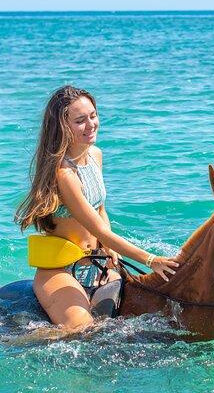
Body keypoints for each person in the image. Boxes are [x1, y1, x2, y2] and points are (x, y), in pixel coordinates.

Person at [15, 85, 179, 331]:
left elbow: (100, 211)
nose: (91, 124)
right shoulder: (64, 173)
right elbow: (98, 229)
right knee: (81, 331)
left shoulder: (95, 155)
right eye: (80, 120)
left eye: (93, 115)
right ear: (63, 126)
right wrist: (150, 259)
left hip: (97, 264)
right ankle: (14, 344)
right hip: (61, 270)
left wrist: (109, 250)